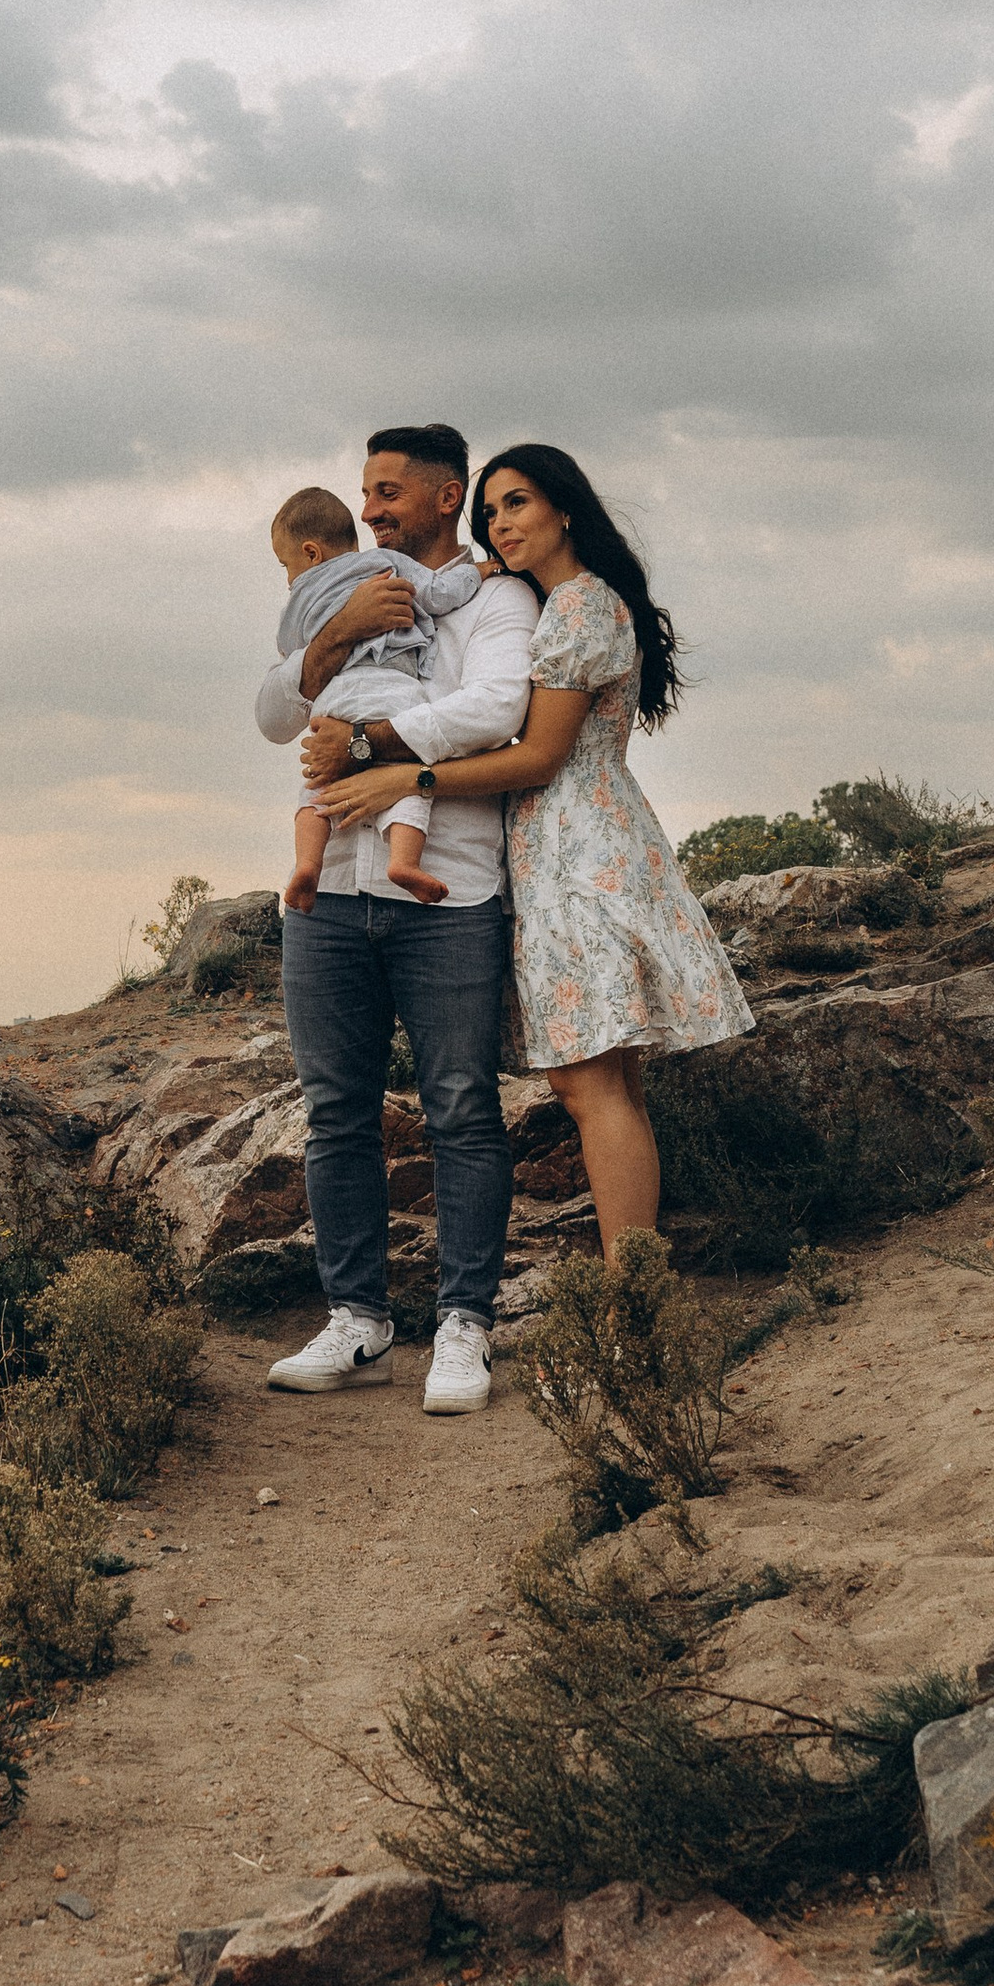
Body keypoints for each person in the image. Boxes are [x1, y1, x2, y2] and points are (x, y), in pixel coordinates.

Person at [316, 442, 750, 1250]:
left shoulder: (579, 609)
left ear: (566, 508)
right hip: (580, 844)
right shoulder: (570, 603)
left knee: (589, 1087)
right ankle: (636, 1284)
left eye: (516, 503)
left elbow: (542, 756)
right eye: (490, 512)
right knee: (608, 1082)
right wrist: (482, 574)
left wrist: (411, 778)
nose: (499, 524)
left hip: (579, 855)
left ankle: (629, 1296)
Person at [253, 425, 540, 1417]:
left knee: (461, 1107)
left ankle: (464, 1324)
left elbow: (497, 708)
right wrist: (337, 635)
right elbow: (273, 714)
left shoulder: (496, 598)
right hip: (328, 889)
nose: (368, 509)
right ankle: (358, 1322)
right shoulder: (340, 591)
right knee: (335, 1113)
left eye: (386, 492)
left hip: (447, 891)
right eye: (365, 491)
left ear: (445, 495)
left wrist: (372, 745)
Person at [269, 485, 485, 913]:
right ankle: (403, 862)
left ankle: (308, 864)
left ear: (311, 553)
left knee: (317, 785)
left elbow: (288, 652)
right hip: (394, 691)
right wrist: (480, 572)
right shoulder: (384, 565)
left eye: (285, 565)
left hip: (334, 700)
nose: (289, 577)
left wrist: (325, 636)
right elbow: (440, 593)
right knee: (406, 783)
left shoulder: (297, 600)